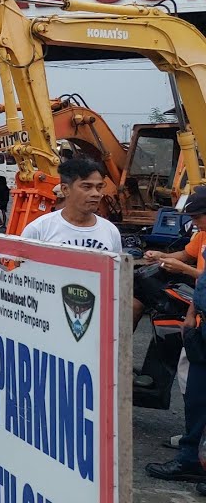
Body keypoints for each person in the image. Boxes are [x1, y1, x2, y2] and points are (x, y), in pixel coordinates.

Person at [148, 189, 206, 489]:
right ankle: (189, 459)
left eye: (198, 217)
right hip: (201, 323)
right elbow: (197, 268)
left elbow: (194, 270)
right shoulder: (203, 235)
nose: (195, 224)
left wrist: (182, 269)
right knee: (196, 396)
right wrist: (191, 314)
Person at [20, 156, 122, 253]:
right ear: (65, 189)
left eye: (99, 187)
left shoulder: (110, 231)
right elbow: (24, 269)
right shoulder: (39, 229)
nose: (96, 194)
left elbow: (117, 269)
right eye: (87, 187)